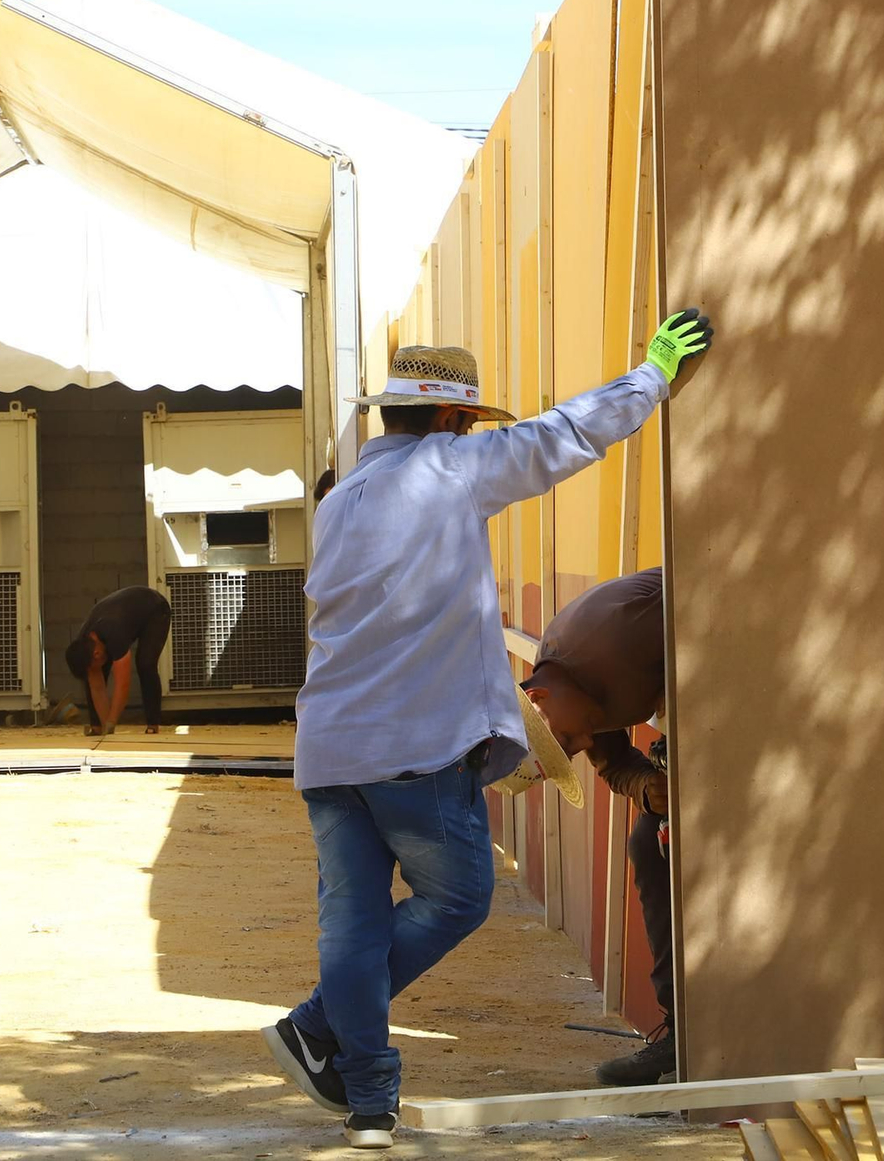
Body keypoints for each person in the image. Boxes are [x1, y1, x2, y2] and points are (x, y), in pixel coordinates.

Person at [261, 311, 714, 1150]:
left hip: (328, 747)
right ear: (452, 420)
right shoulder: (451, 470)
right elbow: (565, 435)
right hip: (415, 748)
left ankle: (368, 1102)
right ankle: (320, 1028)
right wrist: (651, 376)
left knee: (353, 923)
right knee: (458, 896)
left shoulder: (342, 499)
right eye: (467, 421)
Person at [520, 567, 677, 1086]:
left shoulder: (613, 634)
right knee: (649, 845)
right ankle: (681, 1034)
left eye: (564, 742)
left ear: (538, 700)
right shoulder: (573, 701)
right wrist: (647, 787)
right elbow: (617, 768)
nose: (581, 747)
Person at [63, 585, 171, 735]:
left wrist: (111, 722)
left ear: (96, 653)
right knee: (94, 674)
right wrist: (104, 726)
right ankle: (97, 727)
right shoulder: (84, 641)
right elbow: (96, 687)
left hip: (155, 609)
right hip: (123, 612)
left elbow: (123, 685)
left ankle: (153, 724)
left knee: (145, 664)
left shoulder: (114, 633)